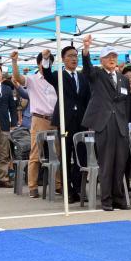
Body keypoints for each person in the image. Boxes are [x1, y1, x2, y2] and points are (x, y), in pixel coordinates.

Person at [81, 37, 131, 211]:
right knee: (107, 163)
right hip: (104, 123)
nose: (112, 60)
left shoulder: (123, 79)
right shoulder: (96, 74)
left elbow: (126, 102)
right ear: (101, 60)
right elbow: (86, 69)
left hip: (120, 124)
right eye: (108, 57)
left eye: (114, 57)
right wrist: (86, 50)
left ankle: (119, 198)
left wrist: (126, 121)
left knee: (120, 164)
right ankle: (107, 200)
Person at [42, 46, 91, 203]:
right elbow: (47, 74)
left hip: (81, 122)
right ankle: (68, 190)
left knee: (81, 157)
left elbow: (87, 98)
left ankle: (78, 189)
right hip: (65, 121)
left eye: (76, 56)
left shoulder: (83, 77)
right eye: (70, 56)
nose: (74, 59)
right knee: (66, 155)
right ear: (63, 59)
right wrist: (45, 59)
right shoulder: (59, 75)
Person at [11, 51, 60, 198]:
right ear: (39, 64)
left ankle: (58, 185)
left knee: (57, 153)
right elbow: (18, 78)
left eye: (50, 61)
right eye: (44, 61)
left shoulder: (55, 78)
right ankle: (32, 186)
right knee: (35, 153)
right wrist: (14, 62)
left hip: (55, 119)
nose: (47, 64)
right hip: (39, 119)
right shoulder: (32, 79)